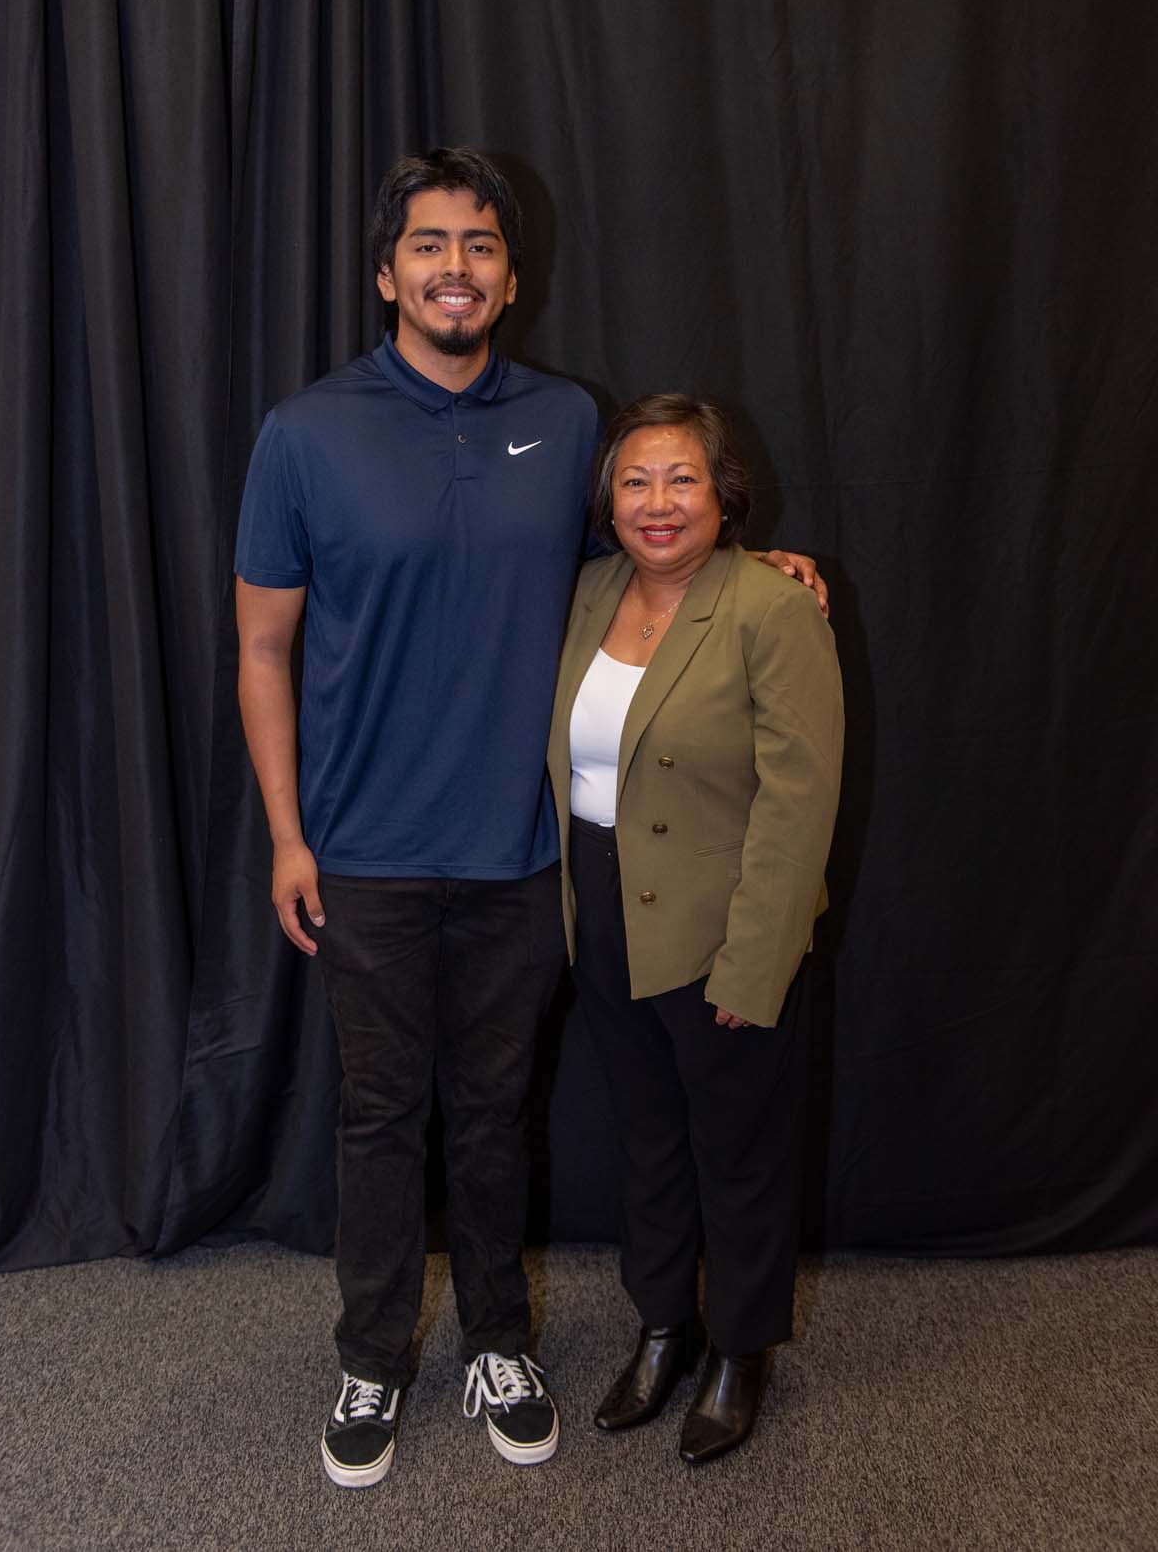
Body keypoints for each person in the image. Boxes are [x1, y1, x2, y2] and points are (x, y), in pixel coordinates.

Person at [234, 148, 828, 1488]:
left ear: (511, 275)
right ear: (385, 273)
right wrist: (286, 831)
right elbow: (261, 648)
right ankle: (374, 1354)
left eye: (482, 246)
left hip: (527, 856)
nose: (457, 264)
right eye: (430, 244)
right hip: (367, 853)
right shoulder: (304, 432)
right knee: (382, 1121)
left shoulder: (566, 422)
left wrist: (761, 565)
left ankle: (500, 1339)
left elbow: (651, 548)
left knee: (498, 1115)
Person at [546, 394, 844, 1466]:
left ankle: (740, 1346)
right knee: (649, 1143)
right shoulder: (584, 592)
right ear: (607, 500)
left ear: (724, 494)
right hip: (605, 908)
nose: (658, 502)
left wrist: (756, 959)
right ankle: (664, 1324)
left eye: (681, 479)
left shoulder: (771, 607)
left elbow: (799, 801)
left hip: (725, 924)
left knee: (741, 1152)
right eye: (635, 480)